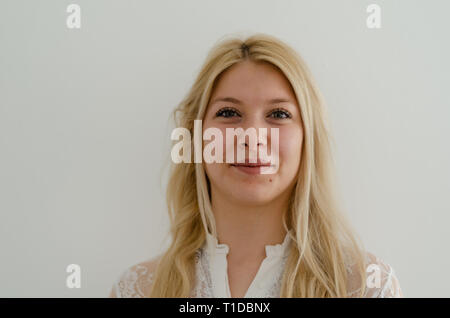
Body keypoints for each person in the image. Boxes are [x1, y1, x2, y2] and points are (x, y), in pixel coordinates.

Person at [109, 33, 403, 298]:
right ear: (196, 137)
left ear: (308, 139)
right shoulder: (138, 290)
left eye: (279, 114)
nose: (252, 136)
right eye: (228, 113)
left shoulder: (366, 287)